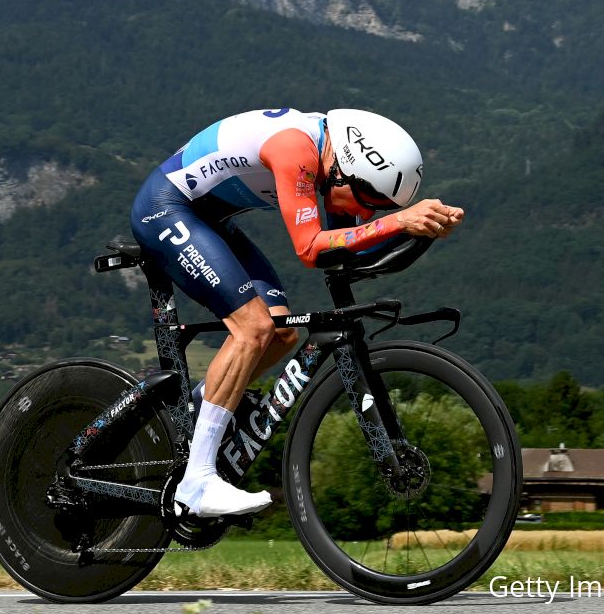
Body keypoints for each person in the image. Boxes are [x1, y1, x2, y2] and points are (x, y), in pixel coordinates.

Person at [130, 108, 464, 518]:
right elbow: (311, 249)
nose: (367, 213)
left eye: (380, 206)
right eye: (370, 199)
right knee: (253, 328)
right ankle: (196, 484)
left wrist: (420, 229)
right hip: (166, 208)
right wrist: (398, 222)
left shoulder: (336, 168)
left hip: (209, 220)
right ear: (345, 170)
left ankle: (201, 406)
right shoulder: (295, 148)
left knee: (281, 334)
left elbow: (349, 248)